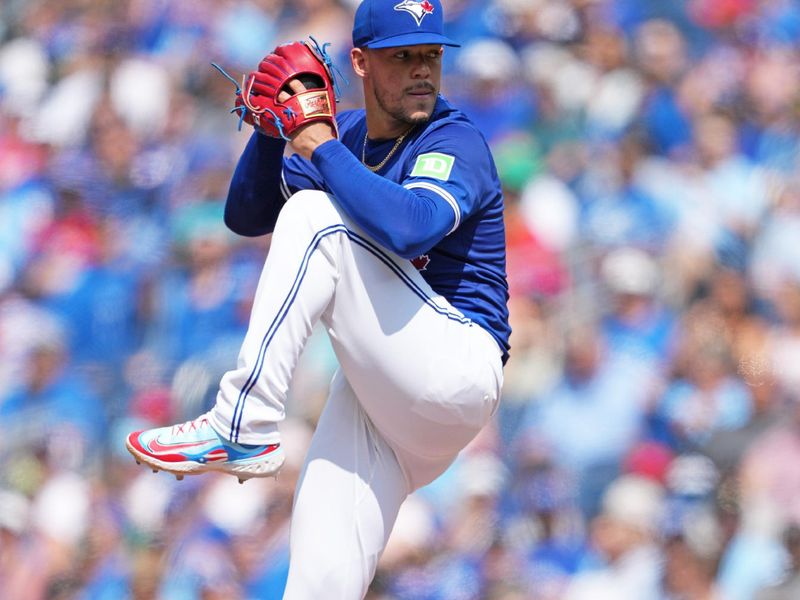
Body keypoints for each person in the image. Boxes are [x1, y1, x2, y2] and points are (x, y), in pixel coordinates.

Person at [126, 0, 510, 597]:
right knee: (318, 583)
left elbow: (411, 226)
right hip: (381, 397)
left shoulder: (455, 139)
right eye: (402, 56)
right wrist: (270, 132)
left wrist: (318, 147)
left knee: (315, 215)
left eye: (430, 55)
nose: (420, 71)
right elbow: (245, 216)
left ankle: (243, 420)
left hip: (455, 362)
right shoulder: (348, 135)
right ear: (359, 61)